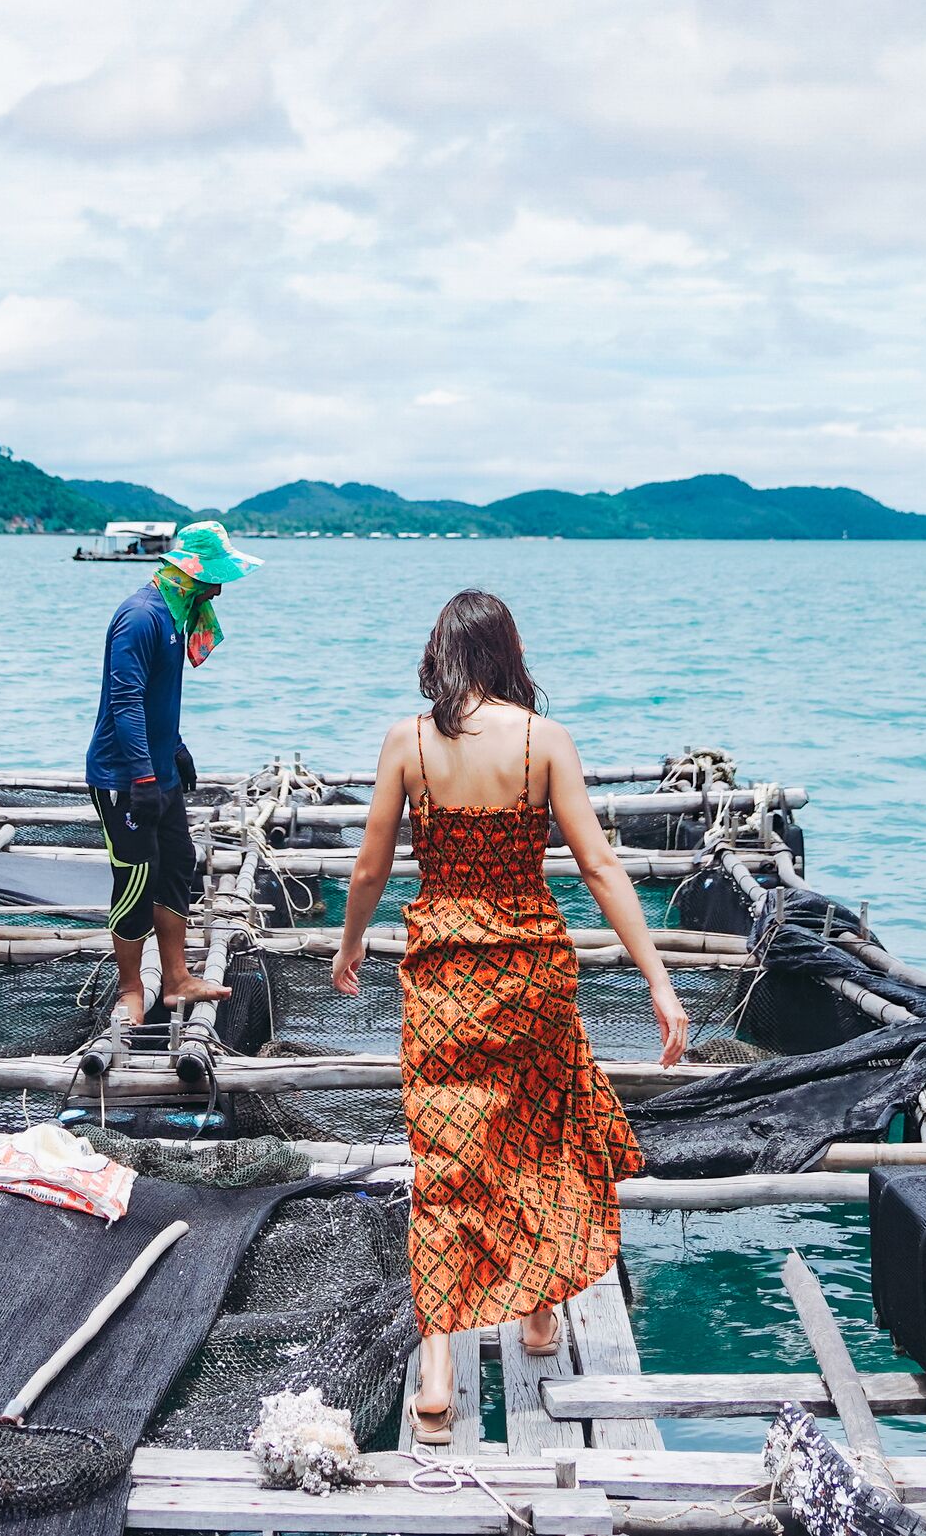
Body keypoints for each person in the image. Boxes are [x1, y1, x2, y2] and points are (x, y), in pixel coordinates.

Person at [330, 589, 687, 1442]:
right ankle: (535, 1316)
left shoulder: (409, 742)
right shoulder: (544, 741)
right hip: (529, 969)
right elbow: (599, 867)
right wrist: (658, 978)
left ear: (442, 653)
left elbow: (371, 868)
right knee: (539, 1139)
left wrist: (347, 946)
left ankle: (441, 1372)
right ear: (508, 652)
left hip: (443, 976)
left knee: (447, 1159)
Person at [88, 519, 258, 1027]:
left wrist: (176, 749)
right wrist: (140, 775)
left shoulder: (178, 614)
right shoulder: (141, 618)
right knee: (135, 878)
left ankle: (178, 977)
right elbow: (125, 701)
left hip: (156, 770)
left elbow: (158, 701)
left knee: (178, 866)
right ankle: (130, 990)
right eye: (218, 574)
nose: (224, 586)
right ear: (193, 570)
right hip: (123, 778)